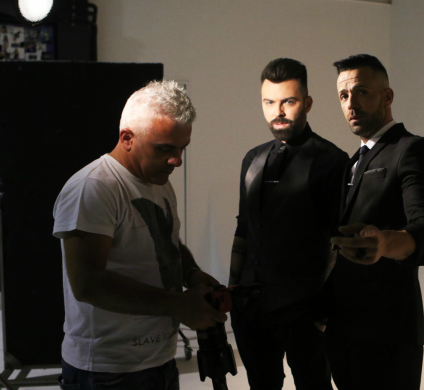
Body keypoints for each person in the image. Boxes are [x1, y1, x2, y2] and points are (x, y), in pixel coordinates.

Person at [53, 80, 227, 390]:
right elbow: (88, 283)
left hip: (159, 361)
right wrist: (179, 306)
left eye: (182, 148)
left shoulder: (158, 182)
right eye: (165, 149)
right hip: (107, 371)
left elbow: (166, 240)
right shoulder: (93, 188)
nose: (177, 160)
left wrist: (191, 273)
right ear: (127, 138)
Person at [325, 54, 424, 389]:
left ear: (387, 96)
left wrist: (384, 243)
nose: (351, 103)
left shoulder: (413, 150)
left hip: (388, 334)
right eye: (344, 96)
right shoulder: (350, 163)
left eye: (361, 92)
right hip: (342, 329)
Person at [229, 58, 348, 390]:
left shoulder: (332, 161)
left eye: (288, 102)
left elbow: (341, 243)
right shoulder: (253, 159)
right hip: (251, 308)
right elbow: (243, 229)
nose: (277, 111)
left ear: (307, 103)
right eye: (269, 102)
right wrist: (232, 293)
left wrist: (323, 312)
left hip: (305, 312)